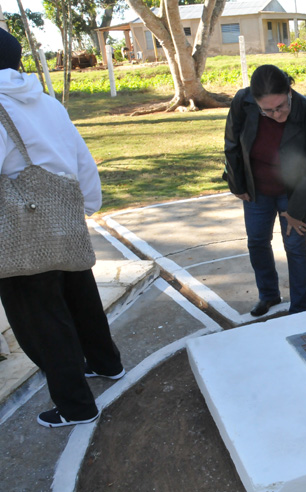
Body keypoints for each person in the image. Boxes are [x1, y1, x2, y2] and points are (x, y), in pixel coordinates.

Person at [0, 29, 125, 428]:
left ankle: (76, 407)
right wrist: (87, 206)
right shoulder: (45, 101)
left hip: (20, 232)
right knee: (82, 300)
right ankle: (107, 364)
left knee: (42, 321)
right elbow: (81, 158)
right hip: (64, 217)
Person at [224, 65, 306, 316]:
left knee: (296, 247)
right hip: (257, 190)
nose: (276, 115)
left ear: (289, 91)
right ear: (254, 101)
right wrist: (238, 184)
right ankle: (268, 294)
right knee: (257, 242)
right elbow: (232, 143)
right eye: (266, 110)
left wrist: (295, 210)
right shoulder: (242, 101)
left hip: (294, 193)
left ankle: (301, 307)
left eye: (281, 107)